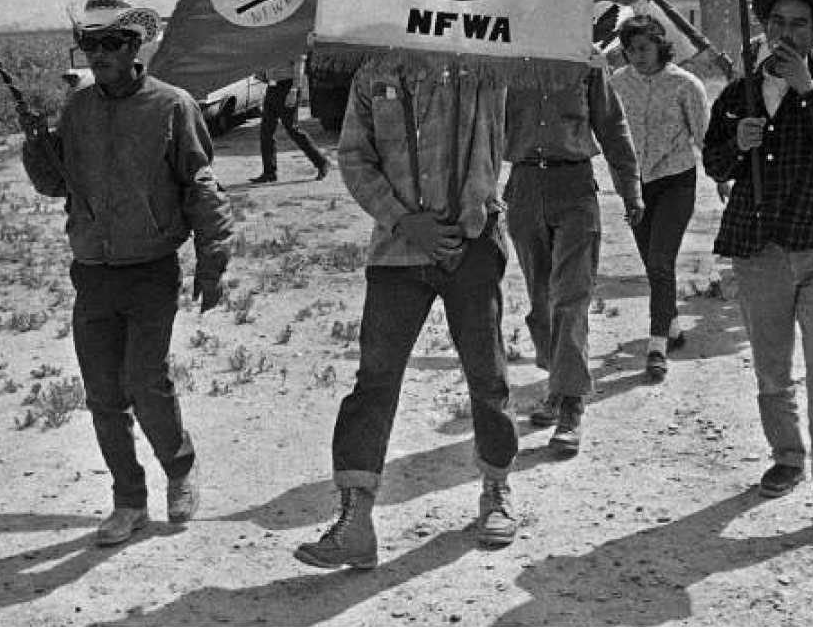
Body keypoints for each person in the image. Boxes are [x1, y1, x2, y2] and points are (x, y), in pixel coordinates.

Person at [21, 0, 232, 546]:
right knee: (103, 393)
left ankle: (180, 469)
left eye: (111, 43)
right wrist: (35, 144)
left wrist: (212, 261)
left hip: (150, 268)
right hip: (93, 271)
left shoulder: (172, 107)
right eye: (89, 44)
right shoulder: (79, 110)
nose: (99, 55)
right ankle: (128, 500)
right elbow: (54, 184)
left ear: (136, 45)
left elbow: (201, 186)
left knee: (145, 380)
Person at [294, 55, 518, 569]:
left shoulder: (485, 64)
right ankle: (356, 521)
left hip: (473, 245)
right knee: (375, 380)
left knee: (487, 373)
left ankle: (497, 490)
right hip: (397, 251)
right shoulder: (374, 73)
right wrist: (403, 220)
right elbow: (354, 157)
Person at [702, 0, 813, 534]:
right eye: (778, 24)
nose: (787, 34)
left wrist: (806, 89)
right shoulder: (739, 93)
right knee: (773, 369)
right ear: (765, 30)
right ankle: (787, 455)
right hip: (759, 247)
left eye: (800, 24)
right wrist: (736, 144)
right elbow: (715, 164)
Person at [501, 52, 643, 453]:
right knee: (541, 302)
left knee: (572, 297)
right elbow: (485, 126)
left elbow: (613, 127)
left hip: (575, 185)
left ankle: (571, 405)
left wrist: (630, 189)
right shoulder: (507, 59)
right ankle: (556, 383)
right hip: (525, 185)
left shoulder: (588, 63)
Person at [610, 15, 708, 380]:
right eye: (631, 50)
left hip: (676, 181)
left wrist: (724, 178)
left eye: (644, 48)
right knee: (653, 265)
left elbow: (704, 136)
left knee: (661, 258)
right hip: (635, 185)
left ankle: (656, 347)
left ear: (660, 45)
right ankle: (674, 328)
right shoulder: (616, 85)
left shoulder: (685, 85)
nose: (638, 56)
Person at [250, 56, 330, 184]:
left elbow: (299, 64)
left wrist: (294, 90)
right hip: (272, 87)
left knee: (292, 129)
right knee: (266, 131)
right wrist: (262, 73)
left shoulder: (290, 41)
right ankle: (269, 173)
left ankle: (322, 162)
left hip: (287, 88)